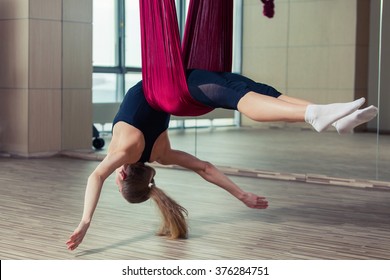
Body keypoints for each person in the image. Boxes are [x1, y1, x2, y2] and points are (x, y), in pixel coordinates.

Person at [66, 70, 378, 251]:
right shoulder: (124, 151)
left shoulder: (159, 155)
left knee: (254, 89)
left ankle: (333, 118)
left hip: (177, 80)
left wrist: (240, 195)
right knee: (239, 97)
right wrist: (85, 221)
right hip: (175, 84)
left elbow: (204, 168)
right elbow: (95, 177)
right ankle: (313, 115)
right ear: (122, 177)